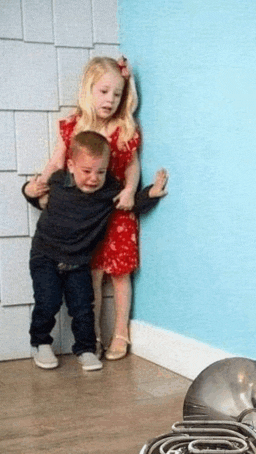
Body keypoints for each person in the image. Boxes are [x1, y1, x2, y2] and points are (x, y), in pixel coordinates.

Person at [23, 131, 168, 371]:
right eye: (86, 171)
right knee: (47, 300)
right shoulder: (58, 181)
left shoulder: (108, 190)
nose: (93, 178)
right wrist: (28, 190)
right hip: (45, 255)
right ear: (71, 166)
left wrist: (150, 193)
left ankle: (86, 348)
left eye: (100, 172)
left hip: (79, 260)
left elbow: (128, 204)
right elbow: (33, 193)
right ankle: (40, 342)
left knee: (83, 306)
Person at [33, 56, 144, 361]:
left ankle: (120, 334)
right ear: (89, 90)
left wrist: (131, 191)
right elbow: (57, 161)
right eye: (104, 91)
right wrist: (41, 184)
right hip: (85, 221)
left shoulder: (124, 129)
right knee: (90, 275)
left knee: (121, 276)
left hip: (117, 213)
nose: (110, 100)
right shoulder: (74, 126)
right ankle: (90, 337)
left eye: (117, 94)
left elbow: (133, 168)